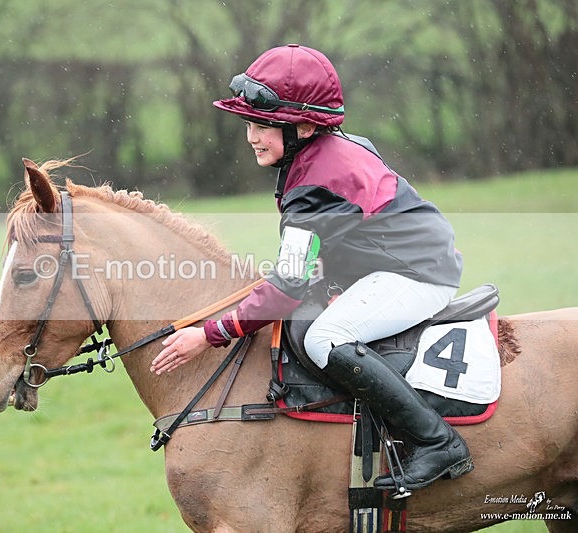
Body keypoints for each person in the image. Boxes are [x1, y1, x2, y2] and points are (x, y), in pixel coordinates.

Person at [150, 44, 473, 492]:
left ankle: (436, 442)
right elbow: (325, 252)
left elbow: (287, 285)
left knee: (324, 338)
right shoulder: (330, 149)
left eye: (263, 124)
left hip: (417, 276)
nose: (252, 136)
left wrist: (209, 333)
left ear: (303, 125)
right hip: (394, 264)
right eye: (249, 123)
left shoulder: (317, 180)